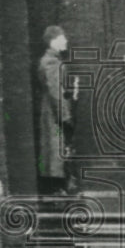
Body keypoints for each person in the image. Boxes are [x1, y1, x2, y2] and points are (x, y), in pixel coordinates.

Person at [37, 25, 77, 194]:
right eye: (62, 38)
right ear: (53, 41)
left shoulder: (51, 60)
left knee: (56, 149)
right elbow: (55, 92)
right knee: (57, 149)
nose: (66, 40)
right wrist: (65, 116)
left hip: (51, 110)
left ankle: (59, 187)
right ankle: (59, 188)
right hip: (55, 112)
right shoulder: (52, 62)